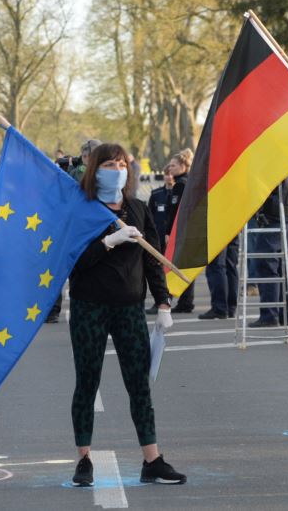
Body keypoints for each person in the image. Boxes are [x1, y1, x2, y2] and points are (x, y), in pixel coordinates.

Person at [68, 143, 184, 487]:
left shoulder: (137, 207)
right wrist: (110, 241)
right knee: (87, 382)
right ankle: (84, 459)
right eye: (109, 163)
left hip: (130, 308)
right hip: (90, 307)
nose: (117, 168)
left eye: (121, 163)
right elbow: (74, 262)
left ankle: (152, 459)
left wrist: (163, 303)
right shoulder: (84, 210)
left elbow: (152, 259)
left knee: (139, 385)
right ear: (95, 169)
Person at [246, 174, 288, 327]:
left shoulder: (278, 171)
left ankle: (269, 314)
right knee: (281, 268)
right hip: (283, 219)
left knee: (267, 267)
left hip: (272, 220)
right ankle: (284, 314)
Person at [163, 151, 194, 313]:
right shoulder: (182, 182)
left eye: (174, 165)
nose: (170, 168)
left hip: (180, 230)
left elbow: (174, 210)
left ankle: (185, 302)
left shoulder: (182, 184)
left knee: (179, 266)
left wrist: (169, 232)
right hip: (185, 229)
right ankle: (185, 301)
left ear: (183, 166)